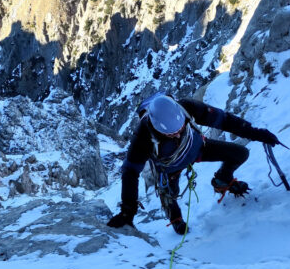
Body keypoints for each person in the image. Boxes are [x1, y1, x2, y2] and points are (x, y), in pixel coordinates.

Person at [107, 93, 280, 234]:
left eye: (180, 129)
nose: (176, 135)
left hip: (198, 149)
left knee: (240, 153)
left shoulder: (186, 108)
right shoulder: (143, 136)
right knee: (171, 197)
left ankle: (223, 179)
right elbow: (130, 172)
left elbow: (224, 120)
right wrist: (127, 212)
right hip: (170, 169)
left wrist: (255, 133)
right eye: (170, 134)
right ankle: (176, 220)